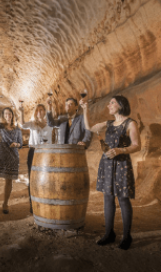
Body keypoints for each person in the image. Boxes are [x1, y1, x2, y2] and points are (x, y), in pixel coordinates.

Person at [80, 95, 141, 250]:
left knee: (123, 199)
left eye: (112, 102)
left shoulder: (130, 123)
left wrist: (119, 150)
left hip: (121, 164)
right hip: (107, 163)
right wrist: (85, 109)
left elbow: (136, 145)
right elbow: (90, 128)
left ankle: (127, 236)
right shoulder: (108, 123)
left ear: (120, 105)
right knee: (108, 197)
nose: (109, 105)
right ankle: (109, 233)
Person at [19, 103, 53, 213]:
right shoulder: (33, 124)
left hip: (46, 153)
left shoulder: (50, 123)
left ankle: (45, 203)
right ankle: (33, 205)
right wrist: (21, 112)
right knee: (33, 178)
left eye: (42, 110)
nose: (39, 112)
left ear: (45, 111)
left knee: (46, 179)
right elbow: (23, 125)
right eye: (37, 110)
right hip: (33, 152)